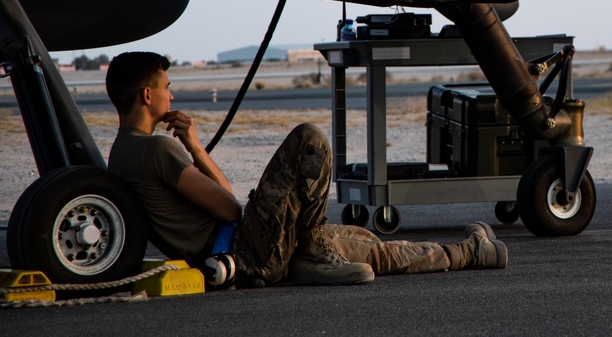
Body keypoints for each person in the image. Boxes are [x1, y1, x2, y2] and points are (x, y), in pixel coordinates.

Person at [105, 51, 507, 287]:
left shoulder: (121, 153)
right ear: (147, 94)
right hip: (245, 249)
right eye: (166, 86)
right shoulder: (156, 149)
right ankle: (314, 248)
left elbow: (222, 200)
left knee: (368, 247)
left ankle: (473, 253)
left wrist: (194, 147)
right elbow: (229, 207)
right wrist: (193, 146)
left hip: (244, 251)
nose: (171, 93)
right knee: (308, 138)